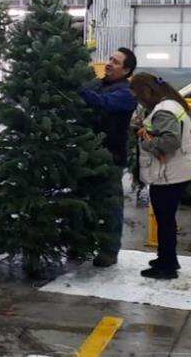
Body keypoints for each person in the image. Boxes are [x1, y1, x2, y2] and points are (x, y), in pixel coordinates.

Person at [129, 72, 191, 280]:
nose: (137, 100)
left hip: (169, 175)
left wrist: (145, 143)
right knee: (165, 219)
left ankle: (167, 265)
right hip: (176, 172)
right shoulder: (169, 105)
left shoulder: (164, 111)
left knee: (165, 220)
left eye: (137, 94)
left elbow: (169, 142)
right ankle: (166, 258)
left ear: (146, 91)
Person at [79, 47, 137, 267]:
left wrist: (76, 88)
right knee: (85, 201)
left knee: (110, 204)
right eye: (110, 59)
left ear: (126, 70)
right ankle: (81, 244)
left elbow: (101, 103)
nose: (110, 63)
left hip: (110, 157)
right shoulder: (99, 84)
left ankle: (109, 251)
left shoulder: (126, 93)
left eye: (116, 61)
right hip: (86, 155)